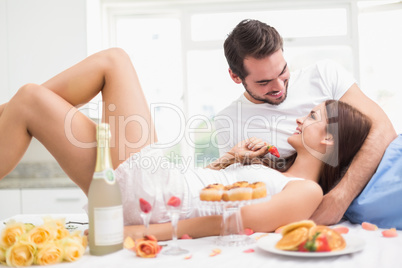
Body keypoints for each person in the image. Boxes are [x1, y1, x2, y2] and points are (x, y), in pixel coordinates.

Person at [0, 48, 371, 240]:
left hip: (157, 195)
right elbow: (209, 194)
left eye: (312, 117)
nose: (298, 117)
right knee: (30, 100)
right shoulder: (283, 172)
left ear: (327, 139)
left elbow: (224, 223)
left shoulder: (306, 191)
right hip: (156, 192)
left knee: (114, 61)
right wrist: (230, 160)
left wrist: (132, 234)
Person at [215, 19, 397, 225]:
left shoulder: (324, 75)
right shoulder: (228, 121)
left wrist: (338, 200)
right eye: (263, 82)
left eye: (283, 71)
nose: (279, 87)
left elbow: (382, 128)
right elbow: (234, 190)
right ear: (235, 77)